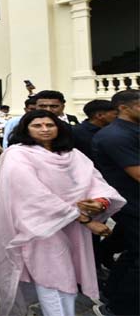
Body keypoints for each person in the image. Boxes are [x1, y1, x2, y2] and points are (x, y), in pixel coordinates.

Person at [0, 110, 126, 316]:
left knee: (70, 275)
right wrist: (85, 219)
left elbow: (95, 181)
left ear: (59, 127)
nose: (45, 129)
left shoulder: (72, 154)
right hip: (40, 227)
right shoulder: (17, 154)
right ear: (25, 129)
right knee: (52, 277)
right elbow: (33, 194)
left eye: (50, 125)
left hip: (73, 226)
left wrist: (100, 202)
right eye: (37, 126)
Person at [92, 90, 140, 316]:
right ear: (124, 107)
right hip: (132, 204)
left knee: (134, 252)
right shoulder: (115, 136)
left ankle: (112, 295)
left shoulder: (132, 130)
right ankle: (119, 308)